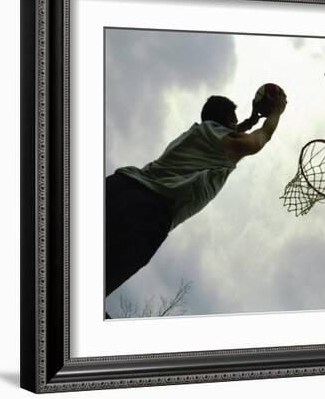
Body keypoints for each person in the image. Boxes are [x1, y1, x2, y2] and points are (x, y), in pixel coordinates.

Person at [105, 88, 287, 297]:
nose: (238, 127)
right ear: (228, 122)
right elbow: (259, 139)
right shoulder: (225, 143)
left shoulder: (199, 133)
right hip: (146, 211)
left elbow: (233, 132)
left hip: (119, 186)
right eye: (234, 123)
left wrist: (251, 119)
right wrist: (276, 112)